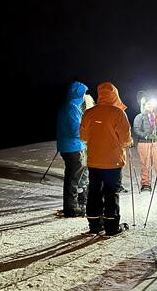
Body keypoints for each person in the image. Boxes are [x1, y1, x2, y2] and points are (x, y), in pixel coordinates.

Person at [80, 82, 132, 235]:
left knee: (94, 192)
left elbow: (83, 136)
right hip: (113, 162)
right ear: (115, 95)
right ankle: (111, 226)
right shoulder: (118, 113)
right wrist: (128, 142)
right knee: (111, 193)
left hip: (94, 161)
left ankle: (94, 224)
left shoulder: (89, 113)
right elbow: (125, 139)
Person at [56, 81, 90, 217]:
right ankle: (71, 208)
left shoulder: (70, 106)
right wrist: (88, 132)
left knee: (75, 178)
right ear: (78, 94)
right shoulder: (71, 108)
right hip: (73, 148)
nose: (84, 97)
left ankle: (77, 204)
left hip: (71, 146)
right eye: (83, 94)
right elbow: (76, 131)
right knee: (73, 179)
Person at [133, 97, 157, 192]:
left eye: (151, 104)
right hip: (143, 143)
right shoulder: (139, 116)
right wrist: (147, 136)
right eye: (147, 104)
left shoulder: (155, 116)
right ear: (143, 106)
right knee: (145, 163)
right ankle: (146, 184)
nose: (150, 106)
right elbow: (136, 129)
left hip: (154, 143)